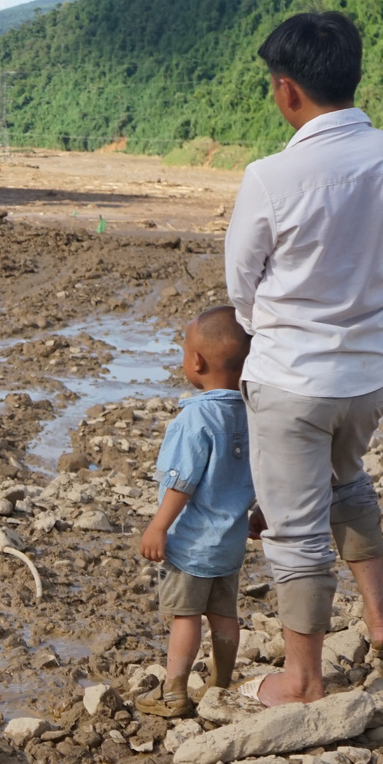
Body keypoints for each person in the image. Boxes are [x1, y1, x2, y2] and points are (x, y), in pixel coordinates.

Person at [224, 11, 383, 706]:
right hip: (366, 376)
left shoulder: (270, 176)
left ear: (287, 91)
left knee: (294, 528)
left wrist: (278, 331)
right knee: (347, 485)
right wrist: (372, 316)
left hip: (291, 377)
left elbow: (241, 284)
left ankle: (305, 677)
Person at [135, 307, 254, 717]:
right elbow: (264, 473)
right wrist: (261, 515)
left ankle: (174, 693)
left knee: (185, 617)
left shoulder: (196, 418)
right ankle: (221, 686)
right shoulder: (251, 413)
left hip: (190, 544)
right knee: (224, 615)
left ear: (196, 361)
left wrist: (158, 525)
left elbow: (181, 480)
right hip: (232, 540)